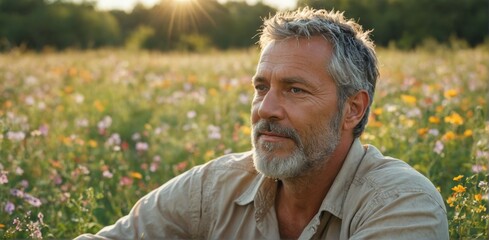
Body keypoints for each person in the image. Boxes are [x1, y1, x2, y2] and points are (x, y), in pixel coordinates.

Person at [76, 7, 449, 239]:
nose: (265, 109)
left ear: (352, 109)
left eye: (295, 90)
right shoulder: (214, 187)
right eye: (261, 87)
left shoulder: (402, 203)